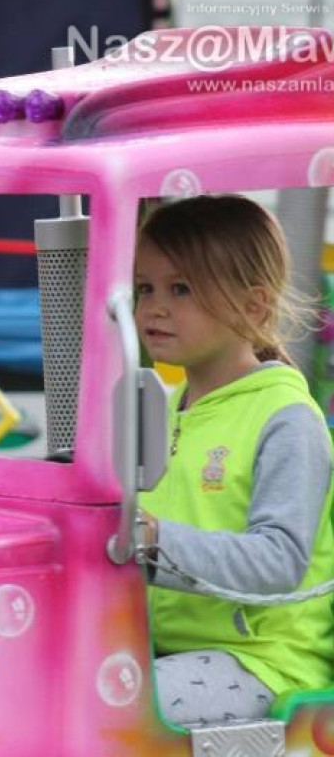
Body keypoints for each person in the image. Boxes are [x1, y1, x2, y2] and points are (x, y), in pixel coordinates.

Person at [133, 194, 334, 727]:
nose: (154, 307)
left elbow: (278, 562)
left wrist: (154, 541)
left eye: (181, 289)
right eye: (145, 287)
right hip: (164, 648)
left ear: (253, 306)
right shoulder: (168, 408)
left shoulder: (286, 418)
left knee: (104, 701)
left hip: (263, 664)